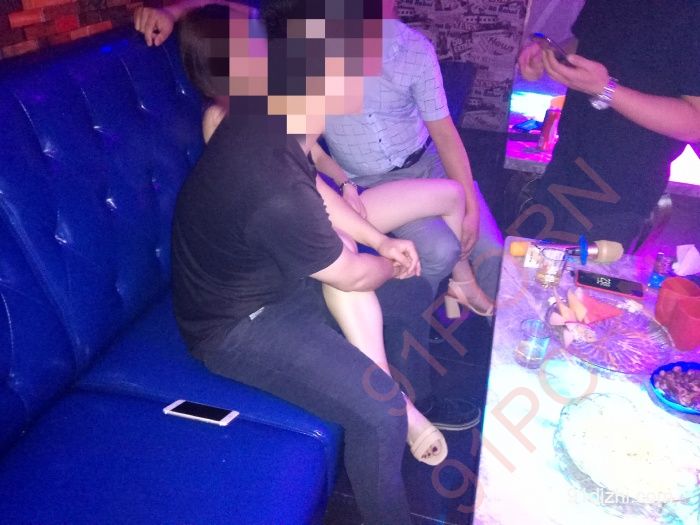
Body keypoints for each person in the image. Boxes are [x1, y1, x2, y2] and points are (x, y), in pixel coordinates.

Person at [135, 0, 487, 432]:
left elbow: (310, 160)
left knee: (448, 203)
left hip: (325, 202)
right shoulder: (228, 119)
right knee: (371, 264)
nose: (265, 55)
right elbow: (269, 198)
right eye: (252, 50)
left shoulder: (274, 101)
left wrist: (348, 186)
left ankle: (450, 300)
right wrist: (369, 246)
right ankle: (402, 402)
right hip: (287, 234)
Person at [171, 2, 442, 522]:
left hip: (275, 277)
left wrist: (380, 241)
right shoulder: (271, 184)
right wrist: (390, 263)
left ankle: (419, 403)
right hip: (236, 325)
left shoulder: (270, 112)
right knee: (379, 412)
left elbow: (313, 184)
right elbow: (352, 275)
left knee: (413, 292)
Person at [513, 0, 700, 249]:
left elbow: (694, 122)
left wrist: (605, 89)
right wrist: (551, 55)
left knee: (568, 272)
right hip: (566, 161)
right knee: (526, 264)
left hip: (618, 187)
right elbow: (589, 43)